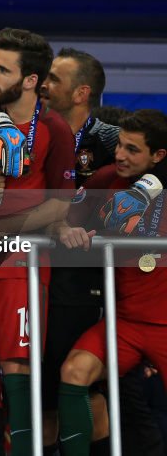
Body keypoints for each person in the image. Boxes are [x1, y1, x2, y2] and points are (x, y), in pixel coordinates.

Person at [0, 28, 75, 456]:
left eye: (4, 70)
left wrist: (7, 229)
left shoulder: (55, 129)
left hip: (18, 266)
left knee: (17, 368)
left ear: (30, 80)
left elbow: (61, 205)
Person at [57, 109, 167, 455]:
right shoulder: (106, 179)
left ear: (158, 156)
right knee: (74, 372)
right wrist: (66, 229)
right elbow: (62, 216)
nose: (119, 155)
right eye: (119, 145)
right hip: (125, 323)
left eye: (132, 150)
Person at [39, 47, 118, 451]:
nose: (44, 84)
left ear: (81, 92)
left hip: (83, 282)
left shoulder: (110, 141)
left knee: (86, 393)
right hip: (33, 274)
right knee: (42, 398)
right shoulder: (32, 132)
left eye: (54, 78)